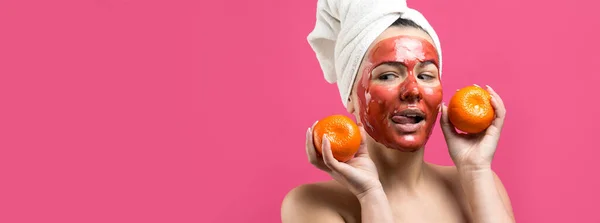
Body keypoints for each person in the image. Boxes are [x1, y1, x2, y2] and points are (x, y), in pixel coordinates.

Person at [281, 0, 515, 222]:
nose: (413, 90)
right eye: (388, 75)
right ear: (350, 97)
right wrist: (370, 195)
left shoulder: (481, 184)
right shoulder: (312, 204)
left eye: (426, 76)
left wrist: (475, 170)